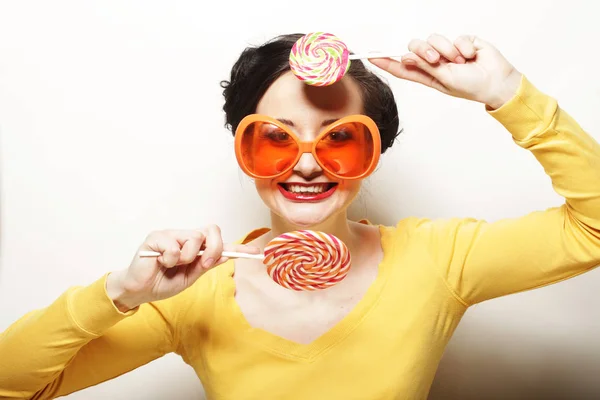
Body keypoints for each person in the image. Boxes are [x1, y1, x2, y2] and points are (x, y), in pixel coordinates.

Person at [1, 32, 599, 400]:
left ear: (373, 157)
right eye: (275, 138)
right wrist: (119, 293)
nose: (307, 165)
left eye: (340, 139)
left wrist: (507, 92)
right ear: (243, 148)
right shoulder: (197, 293)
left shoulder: (435, 261)